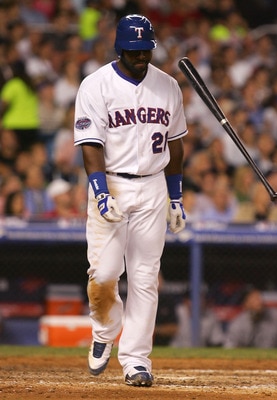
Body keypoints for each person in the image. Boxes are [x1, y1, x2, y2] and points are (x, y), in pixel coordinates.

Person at [74, 14, 187, 387]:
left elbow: (176, 144)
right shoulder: (96, 85)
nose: (141, 56)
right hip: (112, 183)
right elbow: (90, 144)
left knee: (144, 278)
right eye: (135, 50)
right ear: (120, 47)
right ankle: (105, 332)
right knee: (104, 275)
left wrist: (176, 197)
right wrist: (100, 191)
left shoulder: (168, 86)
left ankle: (137, 360)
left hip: (154, 185)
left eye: (146, 50)